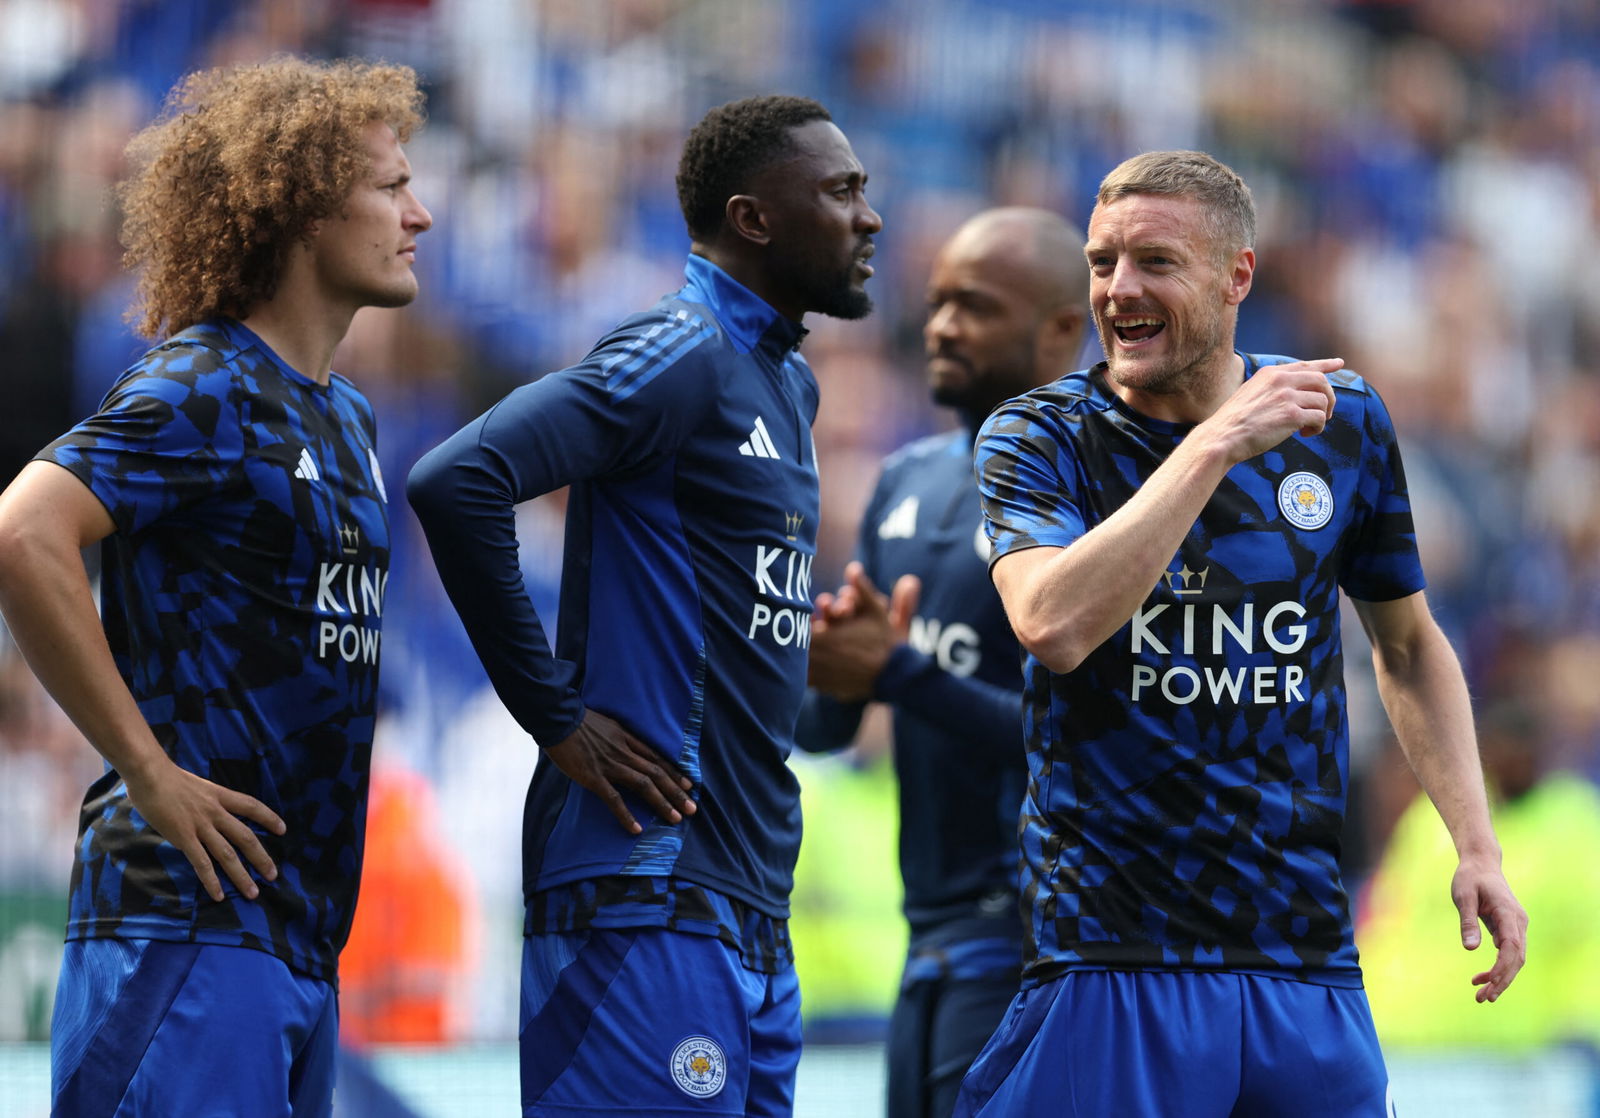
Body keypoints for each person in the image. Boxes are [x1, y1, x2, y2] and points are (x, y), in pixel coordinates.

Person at [956, 150, 1528, 1117]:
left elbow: (1408, 644)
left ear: (1238, 277)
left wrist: (1476, 845)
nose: (1118, 290)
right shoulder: (1038, 436)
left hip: (1303, 957)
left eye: (1154, 262)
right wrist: (1214, 443)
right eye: (1102, 264)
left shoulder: (1340, 422)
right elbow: (1051, 622)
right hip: (1113, 952)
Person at [405, 94, 881, 1116]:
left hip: (747, 899)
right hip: (645, 892)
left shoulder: (785, 386)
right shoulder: (683, 351)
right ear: (753, 217)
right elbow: (459, 478)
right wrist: (555, 713)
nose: (867, 216)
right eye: (841, 191)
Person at [0, 57, 432, 1116]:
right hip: (182, 929)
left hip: (293, 935)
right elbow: (24, 528)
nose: (418, 213)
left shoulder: (347, 417)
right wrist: (145, 768)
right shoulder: (206, 384)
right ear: (299, 212)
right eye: (387, 188)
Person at [794, 207, 1088, 1118]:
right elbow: (832, 722)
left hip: (1037, 944)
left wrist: (898, 672)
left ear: (1063, 329)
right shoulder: (904, 483)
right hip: (922, 944)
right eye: (935, 303)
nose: (942, 326)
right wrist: (822, 665)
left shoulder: (1097, 487)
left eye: (977, 306)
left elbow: (1080, 740)